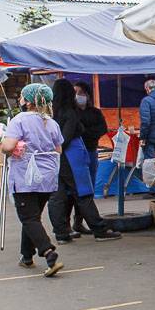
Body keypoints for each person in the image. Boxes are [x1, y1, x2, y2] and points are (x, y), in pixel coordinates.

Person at [0, 84, 65, 276]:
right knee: (32, 217)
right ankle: (26, 257)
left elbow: (8, 146)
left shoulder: (19, 120)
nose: (20, 100)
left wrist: (2, 143)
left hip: (25, 177)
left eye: (21, 97)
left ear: (28, 101)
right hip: (47, 177)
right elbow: (58, 149)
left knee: (28, 217)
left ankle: (48, 252)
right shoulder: (51, 122)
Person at [47, 79, 121, 244]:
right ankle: (99, 229)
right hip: (72, 159)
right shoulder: (70, 113)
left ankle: (61, 233)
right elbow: (64, 138)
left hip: (57, 159)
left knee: (58, 196)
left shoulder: (54, 113)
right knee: (83, 194)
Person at [72, 81, 108, 234]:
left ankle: (79, 221)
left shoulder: (95, 112)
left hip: (92, 150)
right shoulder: (72, 112)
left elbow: (102, 128)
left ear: (87, 95)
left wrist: (87, 134)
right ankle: (74, 223)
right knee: (76, 188)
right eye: (75, 93)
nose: (78, 96)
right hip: (75, 154)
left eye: (80, 93)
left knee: (89, 187)